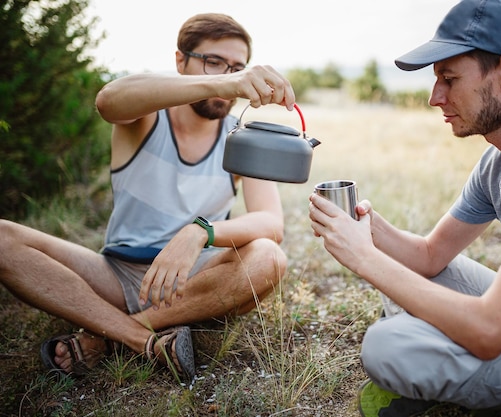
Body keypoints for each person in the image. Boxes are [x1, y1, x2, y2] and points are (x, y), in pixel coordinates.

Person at [308, 0, 501, 415]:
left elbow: (492, 329)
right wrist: (369, 229)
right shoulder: (500, 157)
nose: (434, 97)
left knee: (387, 345)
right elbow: (429, 256)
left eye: (449, 78)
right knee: (408, 279)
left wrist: (363, 257)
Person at [0, 13, 294, 382]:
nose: (227, 76)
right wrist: (225, 81)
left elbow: (270, 222)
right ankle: (141, 339)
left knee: (269, 257)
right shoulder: (145, 117)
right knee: (2, 239)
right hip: (115, 276)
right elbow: (109, 101)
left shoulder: (242, 137)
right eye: (213, 62)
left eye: (237, 66)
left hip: (193, 283)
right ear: (180, 61)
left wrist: (199, 231)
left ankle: (106, 338)